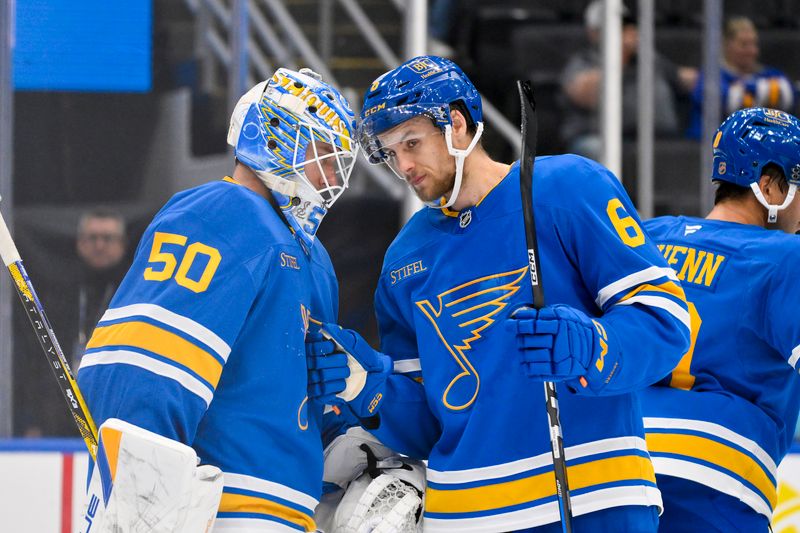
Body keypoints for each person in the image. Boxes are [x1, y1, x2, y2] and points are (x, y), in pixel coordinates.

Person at [306, 55, 691, 532]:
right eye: (389, 151)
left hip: (594, 500)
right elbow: (429, 424)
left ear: (458, 124)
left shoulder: (566, 188)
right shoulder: (404, 260)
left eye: (411, 142)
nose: (403, 165)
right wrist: (367, 384)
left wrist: (594, 345)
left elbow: (666, 319)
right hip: (463, 517)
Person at [75, 67, 359, 532]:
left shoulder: (316, 260)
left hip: (296, 514)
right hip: (222, 509)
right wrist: (142, 500)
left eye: (337, 164)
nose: (330, 177)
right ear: (274, 139)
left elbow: (306, 409)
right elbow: (142, 367)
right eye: (321, 154)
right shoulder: (220, 213)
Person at [639, 107, 800, 532]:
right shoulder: (785, 257)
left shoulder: (647, 236)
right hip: (718, 476)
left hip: (619, 462)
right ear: (768, 185)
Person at [560, 0, 697, 159]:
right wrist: (619, 53)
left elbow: (682, 77)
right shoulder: (583, 61)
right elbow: (584, 94)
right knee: (597, 151)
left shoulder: (649, 59)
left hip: (656, 138)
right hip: (597, 138)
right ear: (593, 33)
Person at [687, 17, 795, 139]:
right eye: (744, 45)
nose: (752, 51)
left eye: (754, 44)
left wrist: (753, 92)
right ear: (726, 45)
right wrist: (765, 91)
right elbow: (729, 101)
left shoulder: (769, 74)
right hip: (715, 149)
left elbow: (789, 94)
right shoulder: (711, 76)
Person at [72, 208, 128, 368]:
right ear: (80, 242)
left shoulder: (132, 291)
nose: (99, 246)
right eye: (92, 238)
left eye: (108, 238)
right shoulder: (59, 288)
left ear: (122, 244)